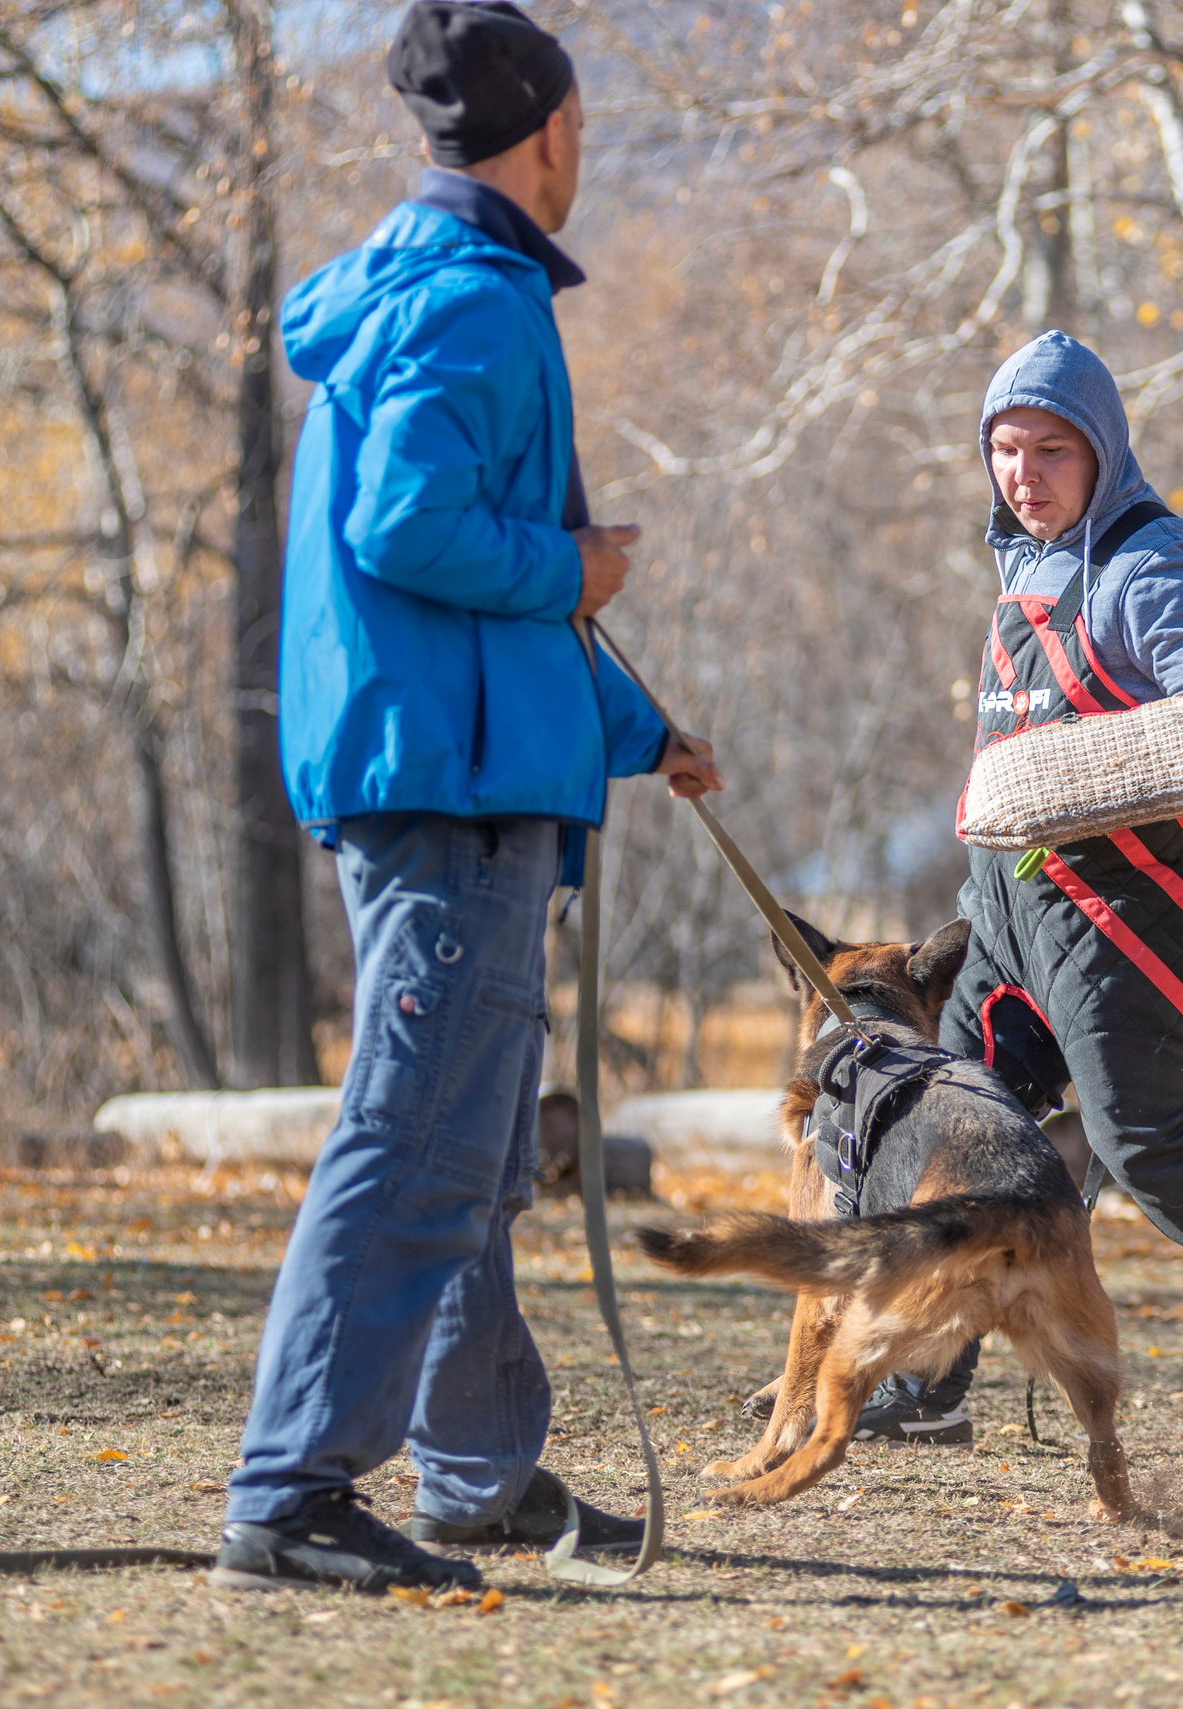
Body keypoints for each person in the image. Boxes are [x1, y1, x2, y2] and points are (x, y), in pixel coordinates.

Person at [213, 1, 724, 1595]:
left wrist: (640, 730)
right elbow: (407, 529)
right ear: (550, 128)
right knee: (415, 1134)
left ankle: (474, 1474)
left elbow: (484, 601)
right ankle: (289, 1494)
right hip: (452, 794)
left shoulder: (411, 289)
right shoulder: (478, 303)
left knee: (474, 1145)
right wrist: (581, 561)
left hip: (454, 767)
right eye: (586, 127)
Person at [852, 331, 1183, 1457]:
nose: (1024, 472)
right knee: (955, 1126)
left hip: (1126, 912)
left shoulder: (1159, 564)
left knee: (1151, 1145)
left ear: (1103, 450)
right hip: (1001, 906)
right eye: (1004, 449)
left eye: (1052, 448)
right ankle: (933, 1379)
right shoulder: (1021, 564)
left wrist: (1064, 780)